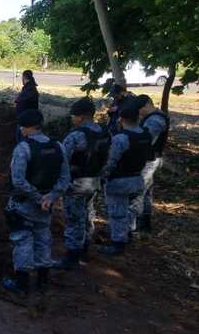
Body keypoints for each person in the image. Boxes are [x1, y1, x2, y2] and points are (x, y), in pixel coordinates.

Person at [2, 109, 70, 297]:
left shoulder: (23, 148)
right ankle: (42, 282)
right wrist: (51, 197)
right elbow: (65, 177)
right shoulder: (58, 146)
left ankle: (21, 284)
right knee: (43, 239)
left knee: (22, 240)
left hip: (25, 204)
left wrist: (38, 198)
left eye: (21, 127)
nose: (20, 130)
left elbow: (18, 180)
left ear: (26, 127)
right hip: (46, 206)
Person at [54, 98, 110, 270]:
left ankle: (72, 256)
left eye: (74, 116)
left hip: (76, 183)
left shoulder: (76, 136)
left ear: (82, 117)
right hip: (94, 181)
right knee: (88, 214)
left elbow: (62, 160)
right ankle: (85, 248)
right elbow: (109, 157)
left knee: (74, 219)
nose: (73, 119)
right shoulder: (104, 132)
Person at [98, 105, 152, 255]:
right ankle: (127, 234)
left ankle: (118, 244)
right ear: (138, 118)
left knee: (117, 213)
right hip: (138, 178)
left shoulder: (121, 138)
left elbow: (111, 162)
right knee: (131, 210)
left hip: (120, 181)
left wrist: (101, 177)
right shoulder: (145, 135)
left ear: (120, 119)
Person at [132, 94, 170, 234]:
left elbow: (147, 140)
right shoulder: (154, 117)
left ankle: (135, 224)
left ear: (148, 104)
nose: (139, 113)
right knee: (146, 191)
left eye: (140, 109)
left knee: (139, 191)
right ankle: (144, 223)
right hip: (151, 158)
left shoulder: (155, 120)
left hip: (149, 160)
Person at [14, 70, 39, 143]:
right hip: (28, 117)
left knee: (22, 138)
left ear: (24, 77)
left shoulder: (29, 89)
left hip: (25, 119)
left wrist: (16, 101)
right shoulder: (30, 88)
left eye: (22, 77)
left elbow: (21, 100)